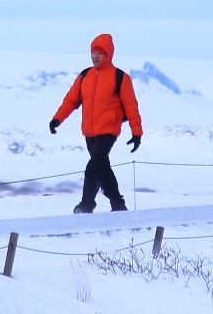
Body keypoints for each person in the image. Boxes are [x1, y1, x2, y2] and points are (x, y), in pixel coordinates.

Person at [49, 33, 143, 213]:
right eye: (93, 52)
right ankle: (118, 204)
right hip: (89, 132)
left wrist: (137, 133)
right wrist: (57, 119)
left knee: (93, 167)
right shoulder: (85, 76)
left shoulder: (120, 78)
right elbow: (71, 100)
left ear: (109, 55)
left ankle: (86, 205)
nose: (96, 56)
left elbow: (132, 107)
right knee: (103, 168)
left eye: (100, 53)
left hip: (108, 131)